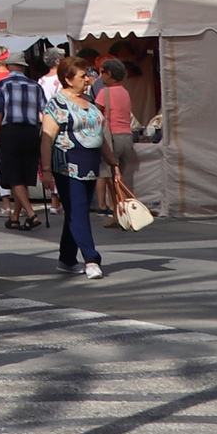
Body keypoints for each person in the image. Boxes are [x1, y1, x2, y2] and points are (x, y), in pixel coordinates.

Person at [42, 52, 107, 279]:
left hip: (91, 164)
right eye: (82, 76)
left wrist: (112, 161)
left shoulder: (89, 101)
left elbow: (99, 133)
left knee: (75, 212)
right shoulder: (56, 104)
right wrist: (47, 170)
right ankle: (91, 258)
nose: (87, 79)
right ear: (68, 79)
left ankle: (66, 258)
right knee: (78, 211)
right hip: (68, 165)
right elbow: (47, 138)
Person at [0, 49, 46, 232]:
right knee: (23, 175)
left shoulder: (2, 85)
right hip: (30, 131)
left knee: (13, 175)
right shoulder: (35, 86)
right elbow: (44, 111)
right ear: (23, 67)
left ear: (8, 65)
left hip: (10, 131)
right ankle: (14, 218)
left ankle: (31, 213)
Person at [96, 53, 137, 217]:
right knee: (119, 178)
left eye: (102, 72)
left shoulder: (104, 92)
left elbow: (96, 115)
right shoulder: (125, 92)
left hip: (110, 137)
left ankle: (117, 212)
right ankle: (119, 211)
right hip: (126, 136)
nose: (100, 76)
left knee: (110, 178)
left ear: (109, 74)